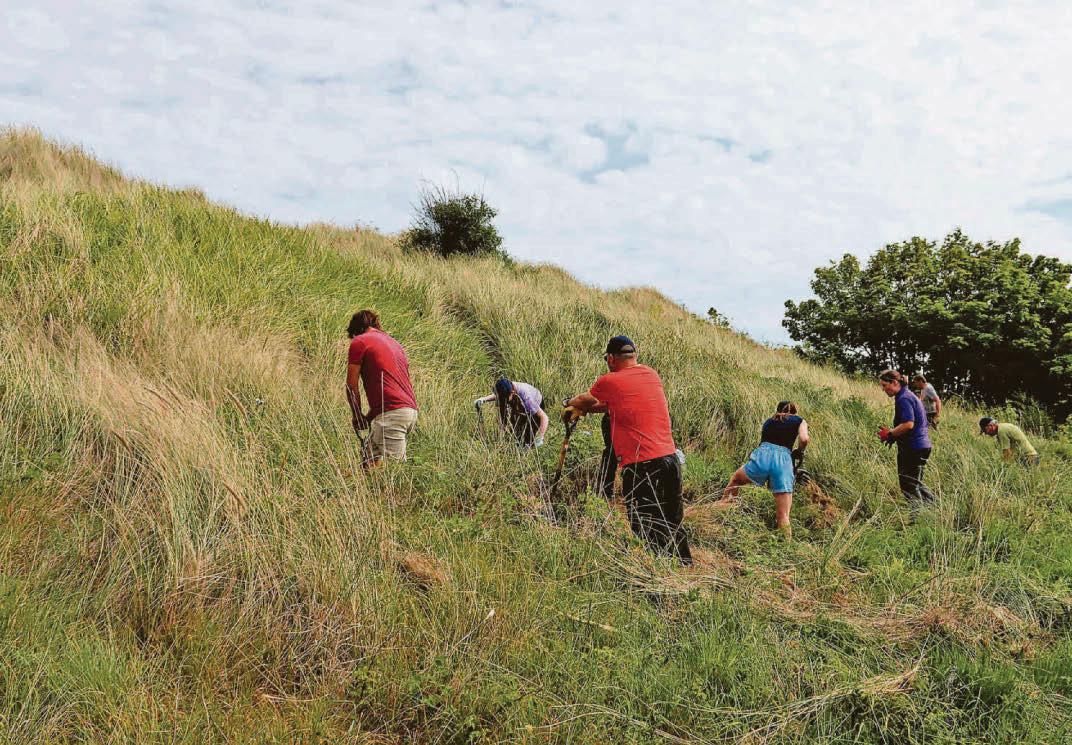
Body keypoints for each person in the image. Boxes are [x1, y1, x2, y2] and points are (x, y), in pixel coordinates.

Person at [563, 336, 692, 564]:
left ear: (611, 359)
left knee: (643, 522)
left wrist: (569, 403)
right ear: (634, 356)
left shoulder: (610, 380)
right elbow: (609, 405)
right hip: (670, 459)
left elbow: (587, 399)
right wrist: (587, 409)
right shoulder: (651, 375)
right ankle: (684, 568)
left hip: (643, 464)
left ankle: (657, 575)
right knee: (672, 519)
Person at [716, 401, 810, 539]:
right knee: (783, 515)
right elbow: (804, 439)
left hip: (762, 456)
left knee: (736, 480)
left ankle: (722, 515)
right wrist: (799, 450)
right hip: (783, 462)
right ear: (794, 412)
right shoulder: (799, 420)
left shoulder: (769, 421)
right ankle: (786, 549)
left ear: (778, 410)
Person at [345, 309, 418, 466]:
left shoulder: (360, 341)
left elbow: (351, 386)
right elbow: (390, 391)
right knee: (368, 461)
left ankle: (401, 491)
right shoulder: (394, 343)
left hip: (392, 416)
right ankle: (366, 490)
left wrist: (357, 416)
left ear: (356, 330)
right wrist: (368, 418)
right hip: (408, 411)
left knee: (396, 472)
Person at [878, 369, 935, 503]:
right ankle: (936, 510)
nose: (883, 389)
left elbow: (908, 424)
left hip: (913, 448)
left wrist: (890, 433)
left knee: (908, 486)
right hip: (921, 446)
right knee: (915, 483)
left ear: (894, 383)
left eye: (884, 385)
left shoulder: (904, 398)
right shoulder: (906, 394)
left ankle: (916, 519)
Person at [474, 378, 549, 447]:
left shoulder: (527, 397)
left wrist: (540, 437)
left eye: (505, 397)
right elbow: (498, 395)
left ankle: (528, 450)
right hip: (520, 406)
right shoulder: (506, 387)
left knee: (528, 439)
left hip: (536, 405)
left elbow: (544, 417)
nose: (503, 399)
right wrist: (484, 399)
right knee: (516, 435)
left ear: (512, 392)